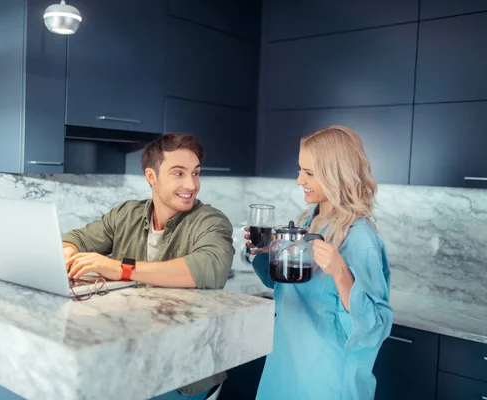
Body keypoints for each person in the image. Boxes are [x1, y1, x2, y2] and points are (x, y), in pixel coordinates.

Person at [62, 132, 235, 400]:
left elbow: (211, 266)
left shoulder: (210, 221)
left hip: (183, 372)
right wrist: (67, 252)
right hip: (132, 359)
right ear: (151, 177)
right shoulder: (126, 214)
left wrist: (122, 268)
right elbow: (78, 238)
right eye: (178, 173)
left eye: (196, 173)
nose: (191, 184)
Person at [246, 126, 394, 400]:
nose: (299, 180)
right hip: (285, 365)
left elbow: (376, 326)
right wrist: (266, 251)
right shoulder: (308, 221)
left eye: (309, 173)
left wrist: (341, 273)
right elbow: (286, 285)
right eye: (300, 169)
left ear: (336, 174)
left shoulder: (359, 238)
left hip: (326, 377)